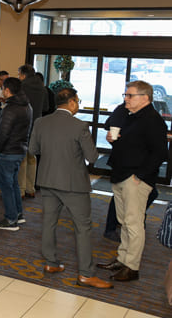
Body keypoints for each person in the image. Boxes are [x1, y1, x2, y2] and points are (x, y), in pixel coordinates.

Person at [28, 88, 112, 289]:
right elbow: (92, 157)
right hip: (73, 184)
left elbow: (32, 150)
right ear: (72, 102)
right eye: (78, 101)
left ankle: (51, 263)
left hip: (47, 180)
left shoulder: (41, 122)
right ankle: (86, 274)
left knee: (49, 223)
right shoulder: (79, 126)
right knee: (83, 228)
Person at [96, 81, 167, 282]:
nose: (125, 99)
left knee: (134, 224)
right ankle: (123, 259)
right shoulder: (129, 115)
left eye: (130, 95)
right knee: (124, 222)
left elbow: (160, 153)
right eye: (125, 95)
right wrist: (113, 139)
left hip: (135, 178)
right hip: (120, 173)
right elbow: (130, 143)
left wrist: (140, 176)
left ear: (145, 98)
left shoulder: (153, 120)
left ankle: (132, 267)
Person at [0, 77, 32, 231]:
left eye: (3, 89)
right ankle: (18, 214)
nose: (2, 91)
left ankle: (10, 219)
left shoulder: (10, 109)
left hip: (7, 152)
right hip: (19, 150)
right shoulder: (27, 106)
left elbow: (3, 134)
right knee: (13, 183)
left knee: (6, 186)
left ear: (7, 90)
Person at [17, 64, 48, 198]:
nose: (18, 77)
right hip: (37, 125)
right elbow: (46, 107)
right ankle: (30, 188)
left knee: (22, 158)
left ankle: (21, 189)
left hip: (23, 124)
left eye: (19, 74)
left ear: (23, 75)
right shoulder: (42, 87)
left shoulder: (21, 86)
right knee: (32, 157)